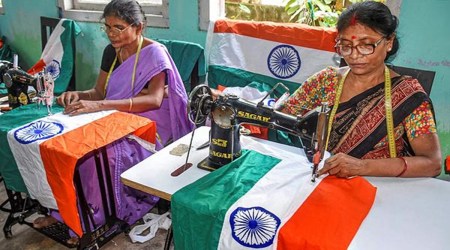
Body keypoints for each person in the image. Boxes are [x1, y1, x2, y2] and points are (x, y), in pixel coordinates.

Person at [35, 0, 194, 244]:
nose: (111, 33)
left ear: (139, 28)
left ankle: (95, 222)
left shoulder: (154, 53)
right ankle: (68, 214)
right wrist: (78, 95)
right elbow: (99, 92)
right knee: (68, 150)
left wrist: (99, 105)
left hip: (148, 128)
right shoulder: (111, 52)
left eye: (119, 27)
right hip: (114, 118)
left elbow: (153, 100)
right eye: (107, 27)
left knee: (99, 157)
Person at [280, 1, 441, 178]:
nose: (355, 56)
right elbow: (282, 118)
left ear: (389, 42)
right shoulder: (325, 81)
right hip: (324, 181)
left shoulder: (406, 93)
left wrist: (363, 167)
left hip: (380, 188)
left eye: (366, 45)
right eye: (346, 46)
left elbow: (432, 164)